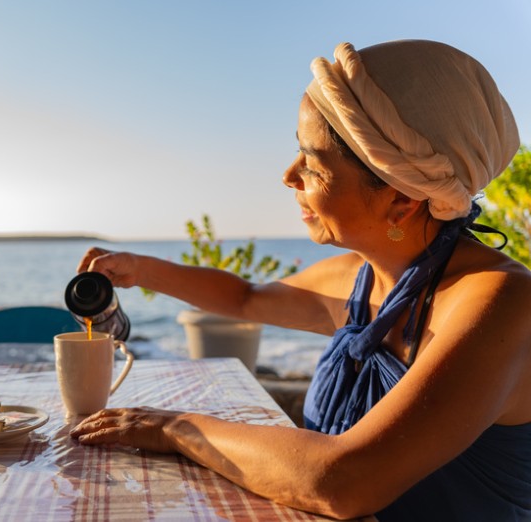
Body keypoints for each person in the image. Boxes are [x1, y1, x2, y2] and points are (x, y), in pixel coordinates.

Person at [69, 40, 531, 520]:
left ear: (402, 199)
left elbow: (344, 480)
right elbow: (247, 299)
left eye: (312, 164)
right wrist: (140, 269)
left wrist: (175, 429)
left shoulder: (500, 302)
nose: (289, 176)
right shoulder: (363, 275)